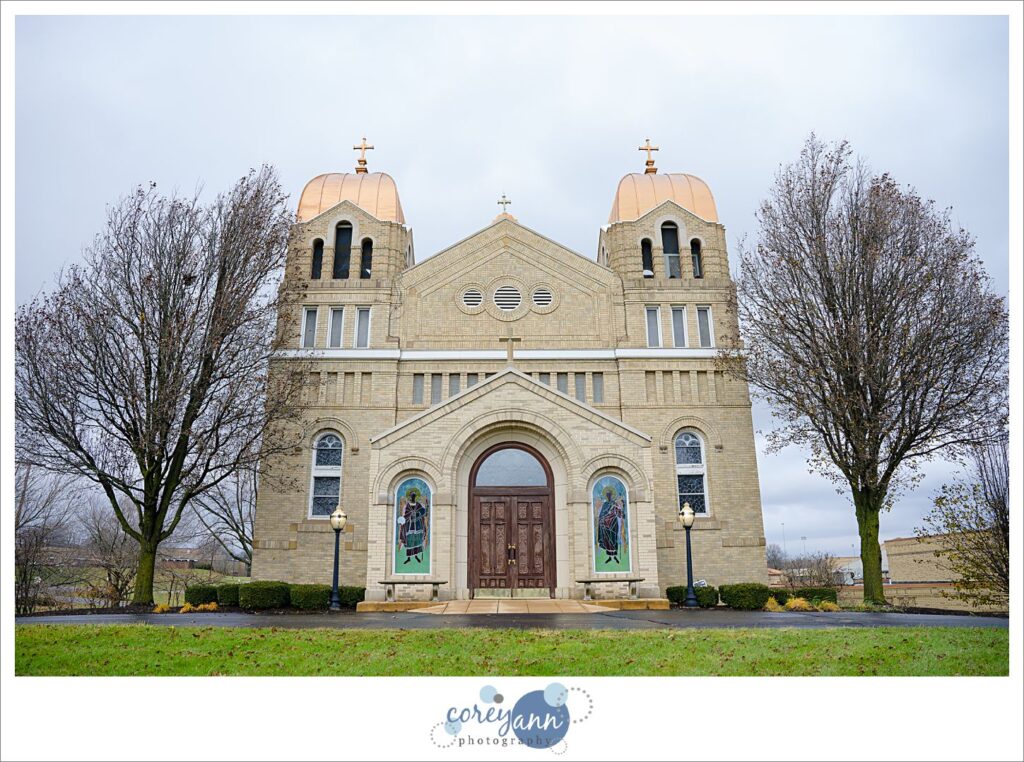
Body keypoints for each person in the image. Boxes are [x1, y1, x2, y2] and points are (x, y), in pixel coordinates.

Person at [596, 485, 626, 564]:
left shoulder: (614, 504)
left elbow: (620, 514)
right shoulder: (605, 504)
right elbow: (602, 514)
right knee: (607, 541)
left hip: (613, 524)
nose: (609, 496)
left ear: (612, 495)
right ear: (606, 496)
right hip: (606, 525)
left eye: (610, 495)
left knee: (613, 539)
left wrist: (623, 507)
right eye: (607, 495)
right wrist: (601, 521)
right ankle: (609, 557)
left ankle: (615, 556)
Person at [398, 487, 428, 565]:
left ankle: (416, 556)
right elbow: (406, 515)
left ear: (416, 497)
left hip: (417, 527)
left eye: (414, 496)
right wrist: (403, 520)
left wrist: (424, 508)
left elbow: (423, 512)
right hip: (409, 526)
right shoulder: (407, 505)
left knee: (416, 542)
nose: (413, 497)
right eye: (412, 496)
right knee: (410, 542)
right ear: (410, 497)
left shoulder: (418, 505)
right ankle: (408, 558)